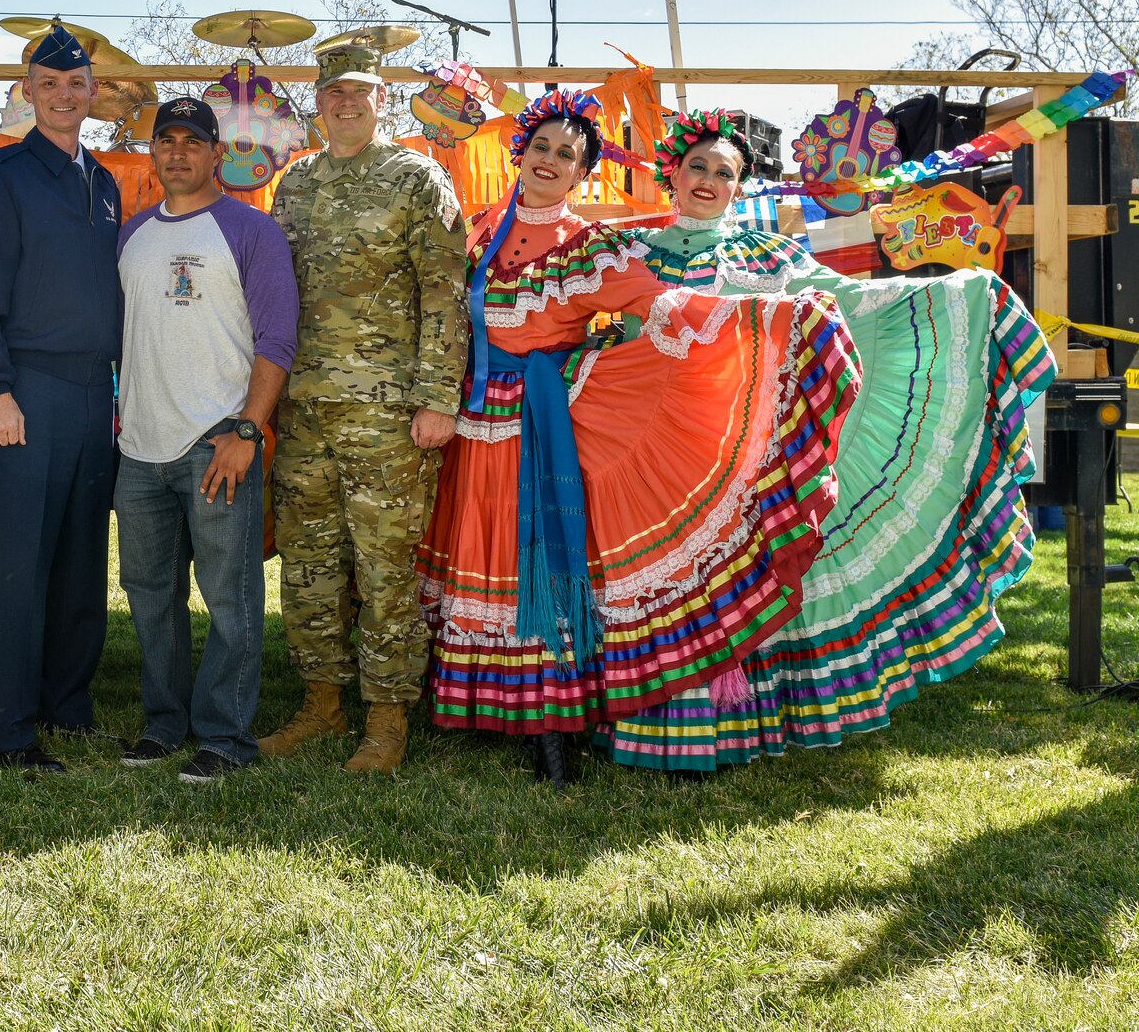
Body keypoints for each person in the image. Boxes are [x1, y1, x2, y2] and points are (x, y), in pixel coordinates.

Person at [416, 90, 860, 787]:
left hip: (544, 423)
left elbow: (667, 308)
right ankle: (484, 703)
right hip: (471, 422)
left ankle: (552, 725)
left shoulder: (592, 247)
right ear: (520, 153)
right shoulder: (478, 235)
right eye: (541, 148)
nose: (551, 161)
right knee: (485, 553)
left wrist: (771, 319)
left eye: (568, 154)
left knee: (542, 557)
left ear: (583, 170)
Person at [602, 110, 1057, 772]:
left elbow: (849, 303)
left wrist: (956, 293)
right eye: (697, 165)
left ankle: (738, 719)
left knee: (746, 576)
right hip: (657, 453)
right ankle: (664, 723)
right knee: (670, 583)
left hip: (746, 447)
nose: (707, 179)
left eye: (724, 172)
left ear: (739, 188)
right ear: (672, 172)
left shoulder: (769, 255)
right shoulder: (627, 254)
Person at [260, 43, 467, 776]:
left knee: (385, 569)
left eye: (358, 90)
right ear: (317, 103)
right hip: (305, 405)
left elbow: (445, 289)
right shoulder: (294, 185)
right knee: (309, 562)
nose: (344, 102)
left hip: (388, 411)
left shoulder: (417, 177)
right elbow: (273, 294)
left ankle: (387, 718)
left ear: (381, 98)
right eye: (332, 92)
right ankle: (321, 703)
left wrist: (439, 397)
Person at [0, 23, 124, 772]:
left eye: (75, 84)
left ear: (93, 94)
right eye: (47, 84)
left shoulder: (105, 180)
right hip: (27, 387)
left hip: (94, 390)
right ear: (26, 91)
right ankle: (5, 727)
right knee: (21, 560)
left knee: (83, 555)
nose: (61, 96)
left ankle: (66, 704)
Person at [113, 96, 298, 783]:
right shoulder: (132, 236)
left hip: (217, 440)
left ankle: (225, 735)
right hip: (139, 449)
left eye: (194, 140)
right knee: (149, 593)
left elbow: (277, 335)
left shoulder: (251, 231)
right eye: (167, 139)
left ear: (218, 154)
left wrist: (248, 429)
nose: (179, 152)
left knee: (230, 595)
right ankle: (165, 723)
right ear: (153, 152)